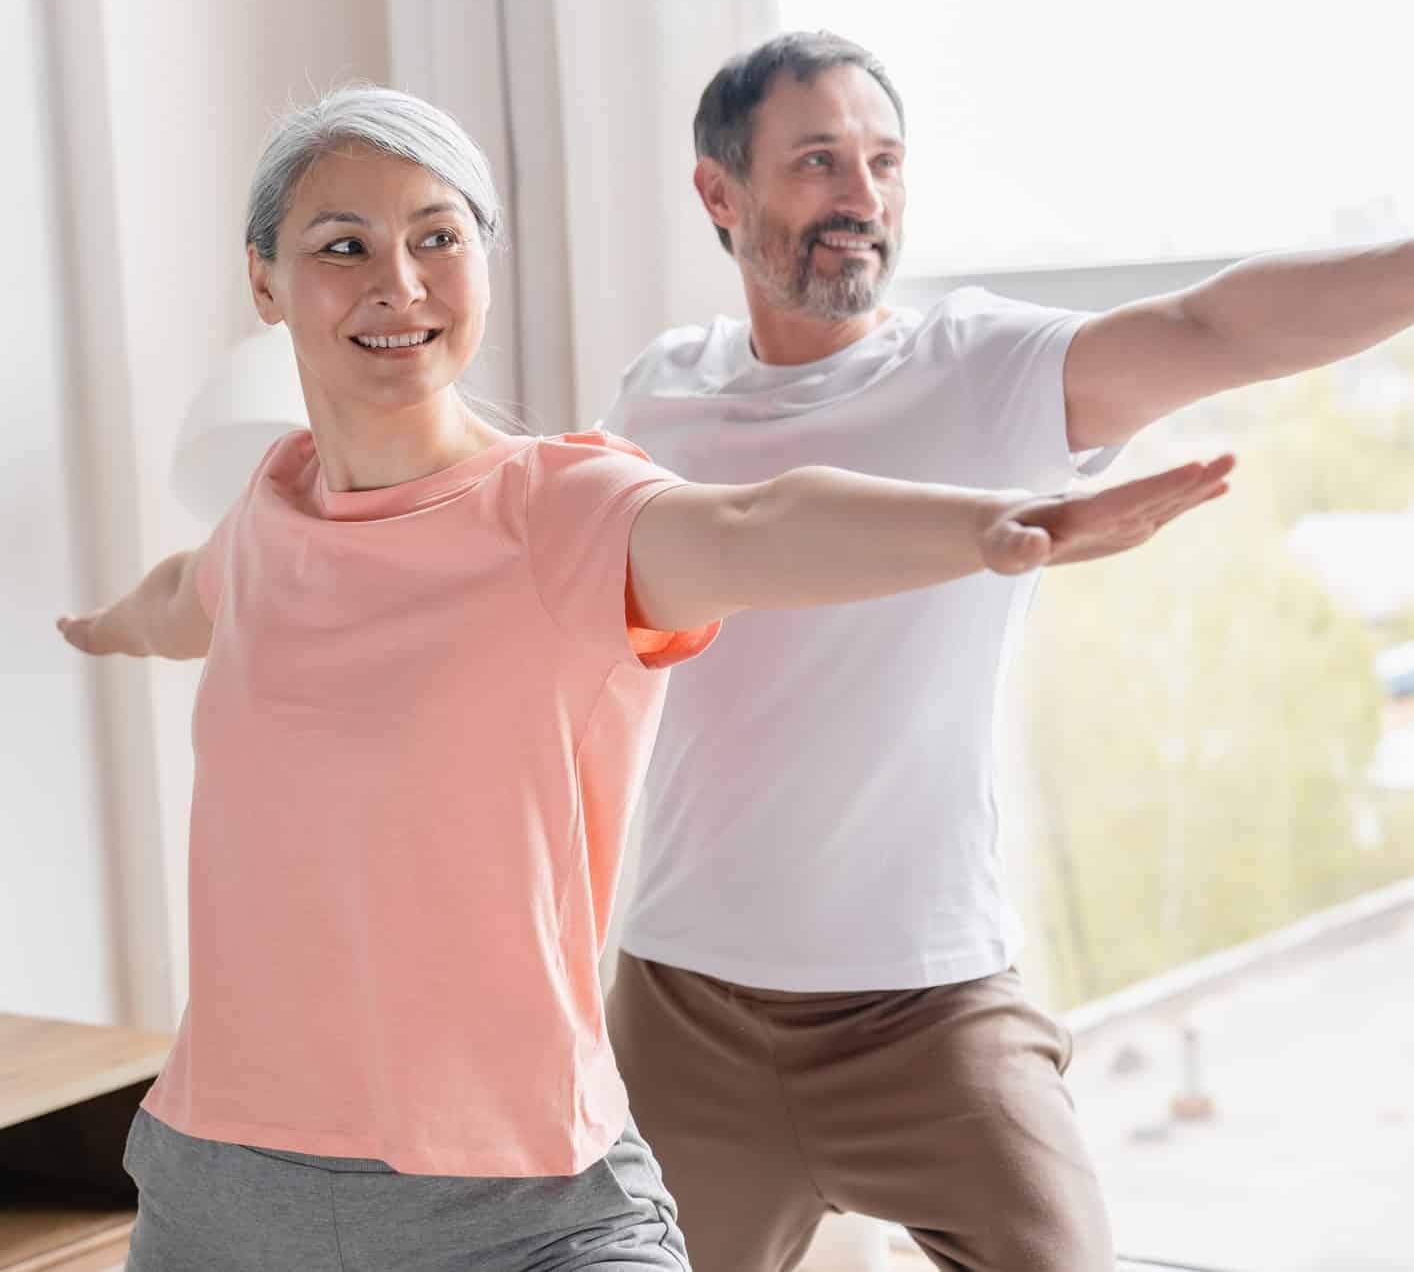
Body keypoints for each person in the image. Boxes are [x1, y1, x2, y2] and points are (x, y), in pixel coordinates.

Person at [54, 85, 1227, 1271]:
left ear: (485, 268)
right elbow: (179, 597)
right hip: (223, 1188)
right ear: (263, 281)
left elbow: (763, 521)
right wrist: (102, 625)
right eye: (341, 245)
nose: (397, 282)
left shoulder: (559, 512)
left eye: (436, 237)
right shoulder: (266, 516)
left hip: (515, 1205)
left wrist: (993, 525)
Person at [599, 30, 1414, 1272]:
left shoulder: (980, 371)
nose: (862, 197)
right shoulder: (656, 397)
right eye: (818, 161)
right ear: (720, 191)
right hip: (682, 1007)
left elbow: (1209, 326)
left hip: (931, 1011)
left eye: (883, 161)